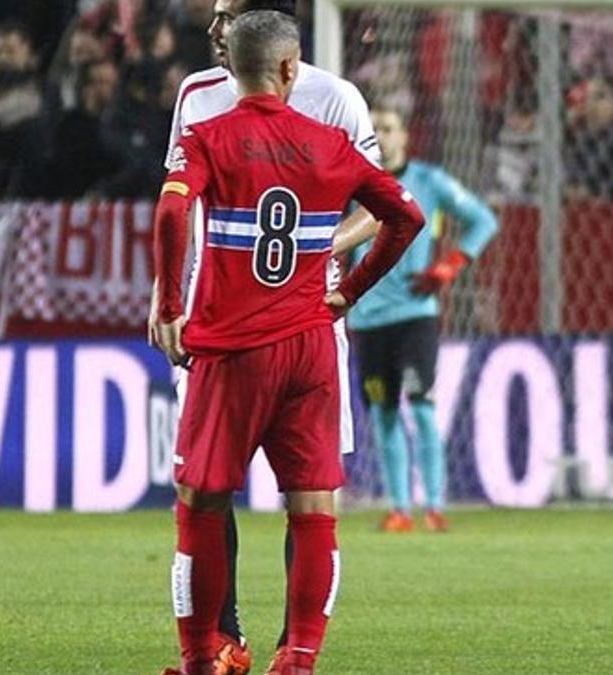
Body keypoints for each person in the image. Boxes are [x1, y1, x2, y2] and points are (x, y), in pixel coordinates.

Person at [150, 11, 424, 675]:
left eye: (225, 14)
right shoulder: (323, 139)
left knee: (202, 500)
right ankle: (295, 656)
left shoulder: (214, 131)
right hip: (309, 335)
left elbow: (169, 208)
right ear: (288, 66)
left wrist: (168, 300)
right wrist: (349, 290)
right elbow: (405, 213)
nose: (213, 24)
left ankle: (199, 657)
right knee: (314, 507)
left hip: (228, 340)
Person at [348, 101, 499, 533]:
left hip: (415, 315)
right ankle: (399, 508)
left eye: (389, 127)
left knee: (422, 405)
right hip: (368, 319)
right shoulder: (353, 183)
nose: (381, 134)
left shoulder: (429, 182)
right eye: (374, 127)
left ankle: (433, 505)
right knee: (383, 411)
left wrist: (450, 264)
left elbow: (483, 220)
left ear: (405, 136)